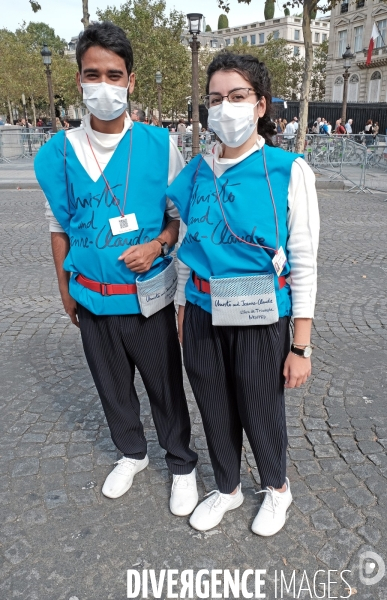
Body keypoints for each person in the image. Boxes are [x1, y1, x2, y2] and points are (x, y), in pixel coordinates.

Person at [34, 22, 198, 516]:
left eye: (114, 74)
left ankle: (182, 463)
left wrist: (158, 245)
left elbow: (178, 220)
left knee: (165, 385)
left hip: (148, 295)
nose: (103, 85)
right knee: (111, 385)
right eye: (92, 74)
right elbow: (57, 226)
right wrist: (65, 291)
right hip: (90, 294)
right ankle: (132, 453)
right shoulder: (57, 154)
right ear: (79, 79)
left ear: (130, 80)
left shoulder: (158, 144)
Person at [166, 53, 319, 536]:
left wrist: (300, 345)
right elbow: (187, 247)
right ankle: (228, 487)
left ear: (260, 106)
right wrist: (181, 307)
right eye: (215, 99)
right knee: (212, 400)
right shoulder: (194, 174)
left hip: (261, 311)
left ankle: (276, 488)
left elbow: (304, 260)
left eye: (237, 97)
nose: (225, 108)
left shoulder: (287, 170)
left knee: (259, 403)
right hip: (205, 309)